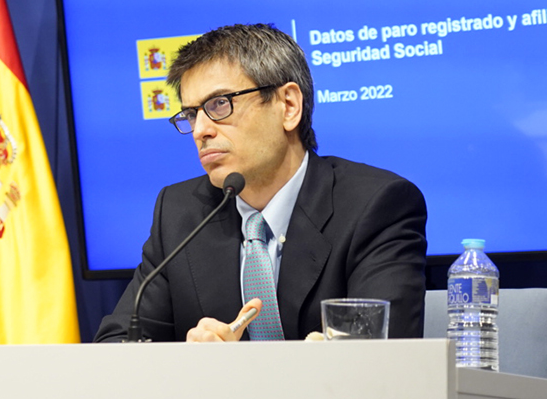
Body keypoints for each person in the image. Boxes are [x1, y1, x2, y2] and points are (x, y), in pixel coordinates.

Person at [94, 24, 427, 343]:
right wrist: (190, 365)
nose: (200, 131)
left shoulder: (376, 205)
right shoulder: (180, 214)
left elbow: (381, 357)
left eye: (219, 105)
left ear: (289, 106)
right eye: (192, 114)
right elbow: (117, 344)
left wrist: (241, 373)